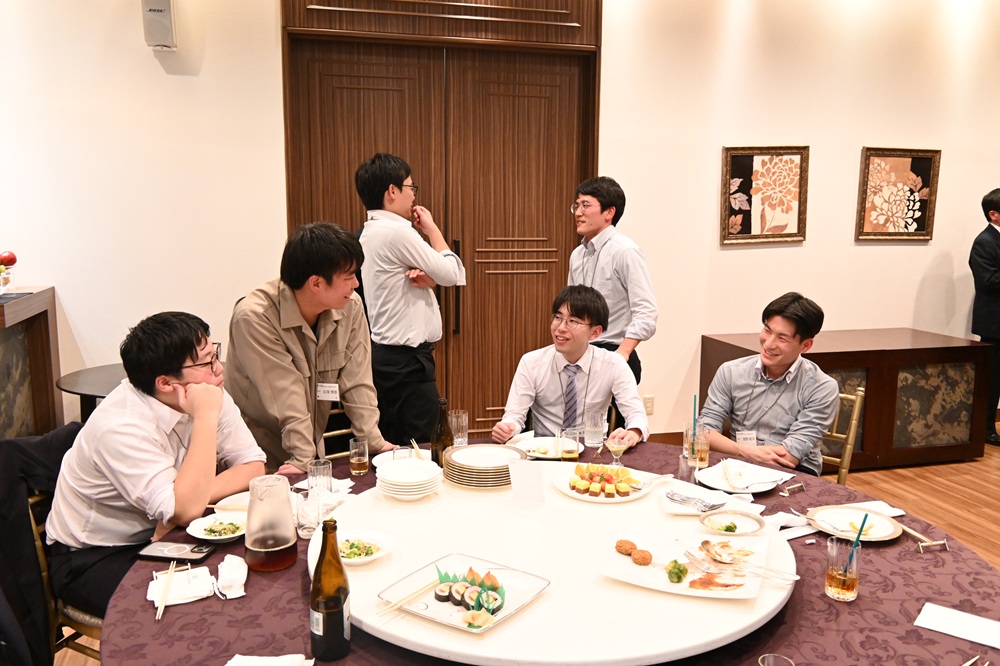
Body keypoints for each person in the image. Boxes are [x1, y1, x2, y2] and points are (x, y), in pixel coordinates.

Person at [45, 312, 266, 617]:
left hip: (165, 536)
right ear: (165, 382)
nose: (219, 369)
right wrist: (205, 419)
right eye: (206, 362)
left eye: (215, 354)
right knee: (199, 609)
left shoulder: (206, 389)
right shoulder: (121, 427)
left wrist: (178, 509)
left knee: (248, 573)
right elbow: (186, 509)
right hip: (96, 557)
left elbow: (253, 465)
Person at [227, 222, 394, 474]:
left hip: (307, 447)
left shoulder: (351, 306)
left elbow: (358, 381)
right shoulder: (256, 317)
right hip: (259, 453)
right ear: (316, 283)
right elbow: (285, 393)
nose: (356, 284)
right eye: (348, 276)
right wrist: (303, 457)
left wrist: (373, 441)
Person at [355, 153, 466, 445]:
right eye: (410, 187)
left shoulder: (369, 231)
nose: (413, 196)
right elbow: (452, 273)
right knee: (428, 446)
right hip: (407, 363)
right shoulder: (397, 232)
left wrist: (428, 280)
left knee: (397, 447)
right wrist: (432, 229)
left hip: (389, 359)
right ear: (392, 191)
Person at [698, 292, 839, 475]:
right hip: (738, 463)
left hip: (795, 471)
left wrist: (742, 453)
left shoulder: (822, 387)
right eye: (767, 330)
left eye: (782, 338)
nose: (769, 344)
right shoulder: (731, 371)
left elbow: (790, 455)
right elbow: (704, 430)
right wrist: (744, 452)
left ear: (805, 345)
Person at [491, 285, 649, 449]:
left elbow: (636, 415)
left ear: (595, 332)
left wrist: (634, 432)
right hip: (544, 451)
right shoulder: (531, 362)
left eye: (573, 321)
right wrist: (508, 428)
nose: (560, 328)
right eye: (557, 317)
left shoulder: (613, 364)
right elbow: (514, 416)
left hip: (592, 451)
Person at [568, 176, 657, 384]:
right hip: (582, 353)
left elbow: (647, 311)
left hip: (614, 352)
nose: (578, 212)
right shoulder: (577, 255)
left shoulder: (625, 251)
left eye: (585, 205)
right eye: (577, 205)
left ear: (609, 212)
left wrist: (622, 353)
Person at [969, 187, 1000, 446]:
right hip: (995, 324)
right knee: (993, 379)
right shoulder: (984, 242)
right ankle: (986, 429)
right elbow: (988, 281)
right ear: (994, 214)